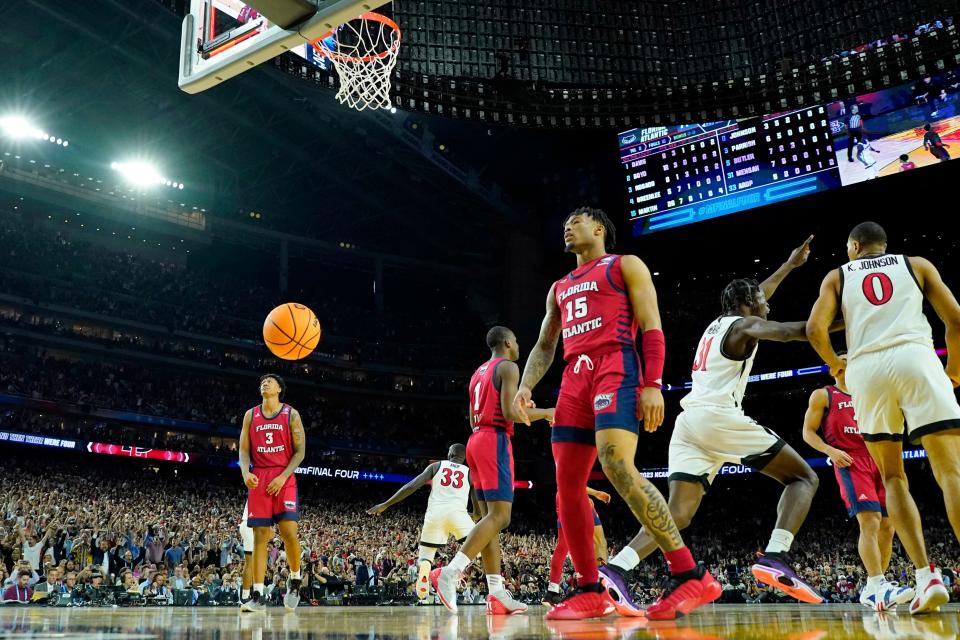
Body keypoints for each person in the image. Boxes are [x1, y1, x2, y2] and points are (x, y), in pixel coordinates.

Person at [601, 237, 830, 615]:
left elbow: (762, 293)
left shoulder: (717, 325)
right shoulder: (745, 325)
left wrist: (789, 266)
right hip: (718, 417)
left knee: (677, 514)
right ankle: (775, 554)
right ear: (750, 305)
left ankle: (617, 567)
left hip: (688, 423)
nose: (767, 305)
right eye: (762, 303)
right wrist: (850, 322)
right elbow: (789, 331)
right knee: (803, 478)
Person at [514, 206, 717, 620]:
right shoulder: (559, 286)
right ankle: (589, 589)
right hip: (574, 377)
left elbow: (652, 323)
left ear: (600, 228)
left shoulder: (626, 265)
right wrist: (525, 385)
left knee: (616, 464)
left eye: (576, 220)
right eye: (564, 222)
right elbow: (545, 345)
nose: (567, 226)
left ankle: (688, 572)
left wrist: (653, 384)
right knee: (565, 485)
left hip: (616, 366)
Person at [807, 220, 960, 615]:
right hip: (917, 358)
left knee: (892, 477)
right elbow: (956, 319)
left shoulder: (838, 275)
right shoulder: (917, 265)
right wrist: (955, 369)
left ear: (855, 246)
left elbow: (814, 329)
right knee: (951, 474)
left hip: (867, 370)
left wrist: (836, 366)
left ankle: (925, 576)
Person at [431, 327, 554, 615]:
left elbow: (503, 405)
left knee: (489, 521)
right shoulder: (509, 367)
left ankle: (496, 593)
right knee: (501, 516)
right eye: (518, 341)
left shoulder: (479, 372)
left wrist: (525, 407)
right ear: (508, 343)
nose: (519, 346)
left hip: (475, 439)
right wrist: (548, 411)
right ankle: (450, 571)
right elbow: (511, 413)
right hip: (494, 439)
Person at [801, 355, 914, 611]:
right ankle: (879, 583)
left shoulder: (868, 393)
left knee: (889, 525)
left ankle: (875, 589)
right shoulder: (823, 395)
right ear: (834, 368)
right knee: (870, 520)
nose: (848, 361)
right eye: (842, 358)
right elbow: (807, 432)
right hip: (851, 461)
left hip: (879, 459)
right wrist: (830, 451)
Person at [367, 444, 477, 603]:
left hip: (435, 513)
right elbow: (477, 505)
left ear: (449, 453)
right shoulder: (470, 473)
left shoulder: (436, 466)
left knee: (426, 555)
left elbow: (411, 486)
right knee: (478, 546)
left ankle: (425, 572)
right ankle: (452, 572)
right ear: (464, 457)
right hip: (458, 513)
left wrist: (386, 504)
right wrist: (474, 516)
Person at [238, 373, 306, 612]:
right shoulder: (250, 415)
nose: (264, 383)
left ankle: (295, 579)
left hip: (283, 475)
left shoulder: (291, 414)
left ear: (279, 389)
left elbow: (300, 452)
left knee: (288, 531)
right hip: (260, 476)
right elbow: (244, 451)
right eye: (262, 381)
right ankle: (258, 594)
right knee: (259, 536)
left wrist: (283, 476)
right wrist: (245, 473)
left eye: (270, 381)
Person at [543, 487, 611, 608]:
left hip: (562, 495)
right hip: (577, 494)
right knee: (599, 542)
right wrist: (595, 493)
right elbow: (576, 481)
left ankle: (552, 592)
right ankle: (597, 588)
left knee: (563, 546)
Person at [237, 500, 256, 609]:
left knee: (251, 563)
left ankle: (248, 594)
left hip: (248, 524)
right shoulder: (261, 488)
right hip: (250, 525)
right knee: (250, 563)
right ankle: (244, 597)